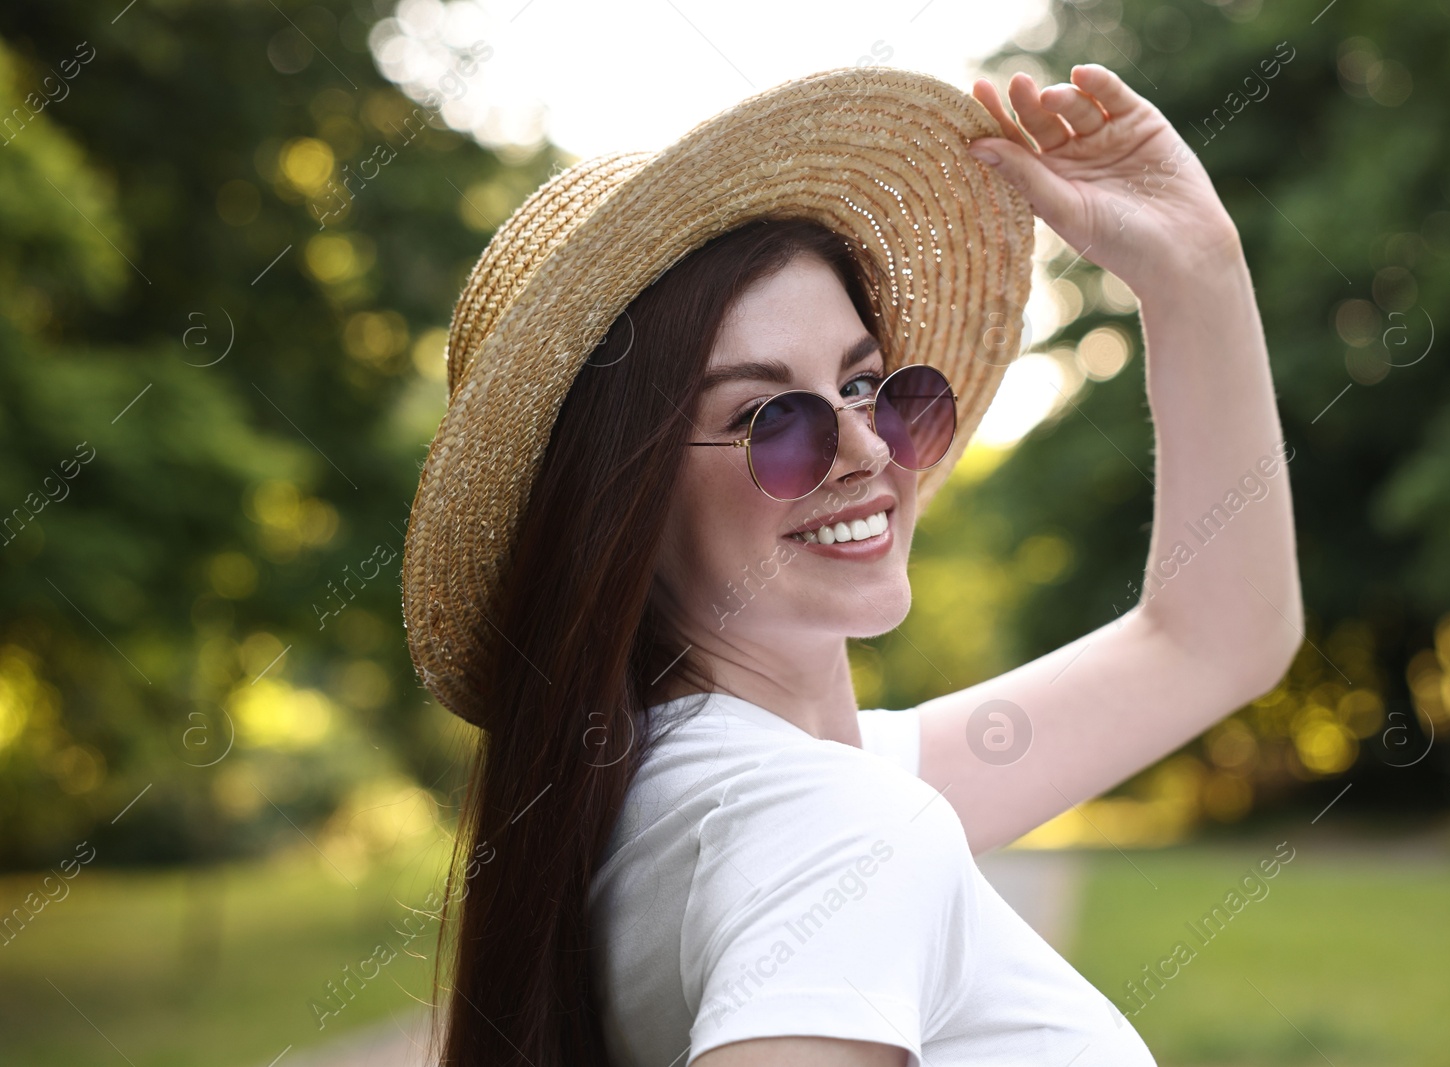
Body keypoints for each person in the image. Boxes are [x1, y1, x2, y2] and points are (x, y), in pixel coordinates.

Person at [400, 63, 1301, 1067]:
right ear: (624, 506)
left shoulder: (686, 793)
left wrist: (1194, 267)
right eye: (766, 417)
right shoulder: (836, 825)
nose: (868, 450)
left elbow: (1214, 640)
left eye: (869, 383)